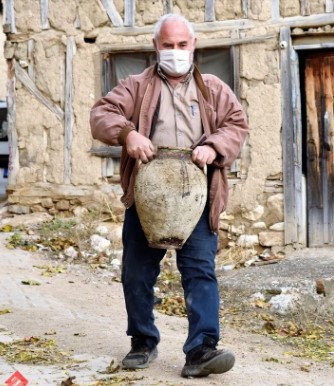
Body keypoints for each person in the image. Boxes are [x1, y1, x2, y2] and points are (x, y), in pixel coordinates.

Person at [89, 13, 249, 378]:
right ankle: (143, 341)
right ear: (155, 47)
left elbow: (236, 124)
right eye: (168, 45)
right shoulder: (137, 86)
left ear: (193, 46)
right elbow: (101, 113)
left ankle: (201, 350)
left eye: (182, 45)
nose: (175, 52)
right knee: (137, 272)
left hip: (196, 198)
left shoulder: (212, 88)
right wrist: (127, 134)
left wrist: (214, 144)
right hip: (148, 196)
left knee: (199, 271)